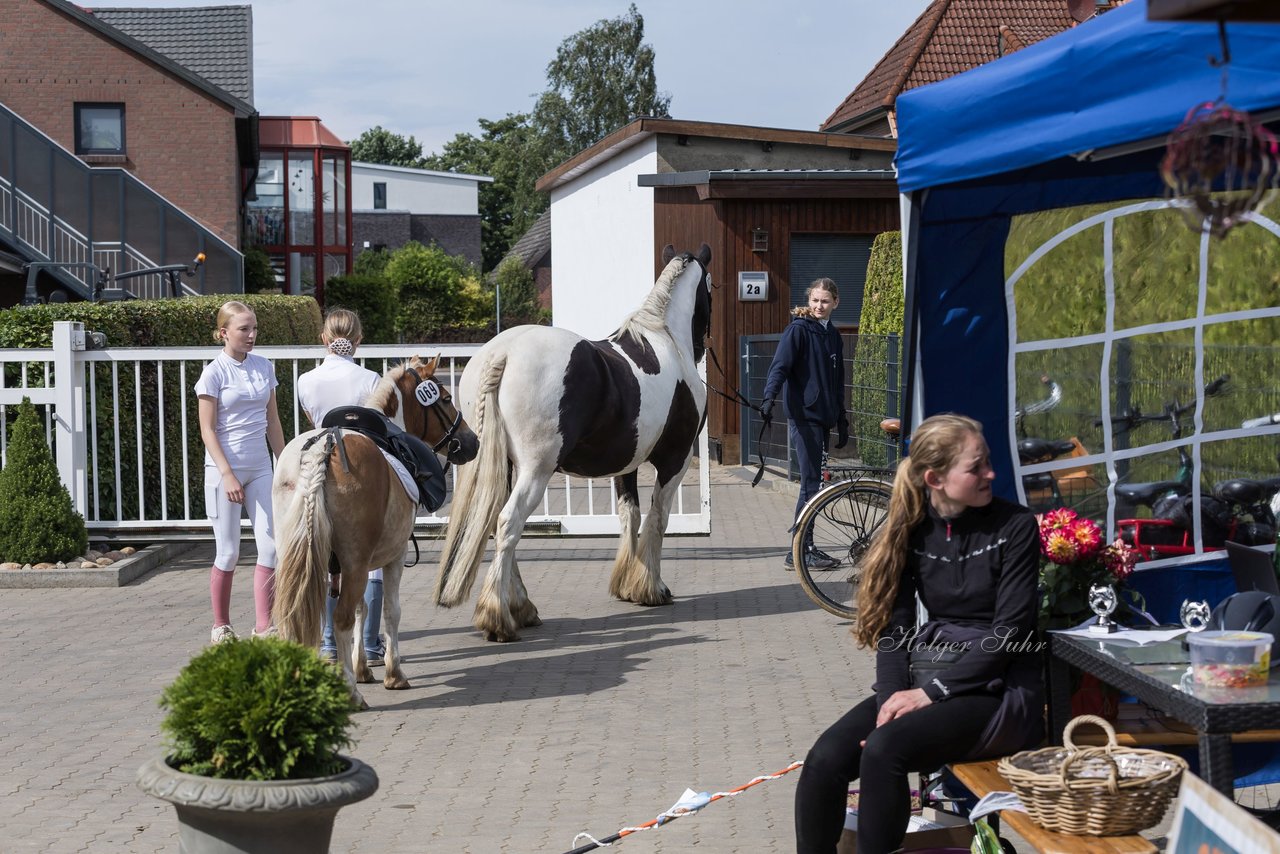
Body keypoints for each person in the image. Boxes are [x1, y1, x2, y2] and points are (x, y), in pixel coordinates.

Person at [793, 414, 1044, 854]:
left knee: (884, 751)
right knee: (823, 761)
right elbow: (896, 631)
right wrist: (892, 699)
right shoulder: (912, 527)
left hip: (998, 689)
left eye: (987, 463)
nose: (991, 474)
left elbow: (1009, 633)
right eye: (976, 466)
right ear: (936, 478)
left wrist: (928, 696)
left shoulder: (1016, 526)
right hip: (929, 678)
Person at [295, 308, 388, 663]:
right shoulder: (371, 378)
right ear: (359, 340)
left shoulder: (306, 380)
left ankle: (330, 643)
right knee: (371, 557)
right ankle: (370, 643)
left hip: (320, 468)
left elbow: (315, 422)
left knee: (324, 555)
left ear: (324, 339)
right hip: (363, 470)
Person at [196, 300, 285, 644]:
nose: (251, 335)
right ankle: (221, 625)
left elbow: (272, 420)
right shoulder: (213, 373)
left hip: (261, 467)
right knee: (229, 552)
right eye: (243, 329)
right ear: (224, 333)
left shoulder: (264, 366)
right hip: (224, 471)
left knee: (271, 548)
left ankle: (265, 626)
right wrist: (227, 474)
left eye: (254, 328)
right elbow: (207, 430)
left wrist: (283, 463)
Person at [761, 278, 849, 570]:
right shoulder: (798, 330)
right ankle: (800, 550)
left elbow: (838, 381)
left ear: (835, 302)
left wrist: (842, 417)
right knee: (811, 484)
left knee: (815, 485)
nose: (819, 306)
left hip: (823, 419)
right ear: (809, 301)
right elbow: (780, 366)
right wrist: (768, 397)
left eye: (825, 301)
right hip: (804, 416)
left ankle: (803, 547)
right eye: (815, 300)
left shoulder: (832, 335)